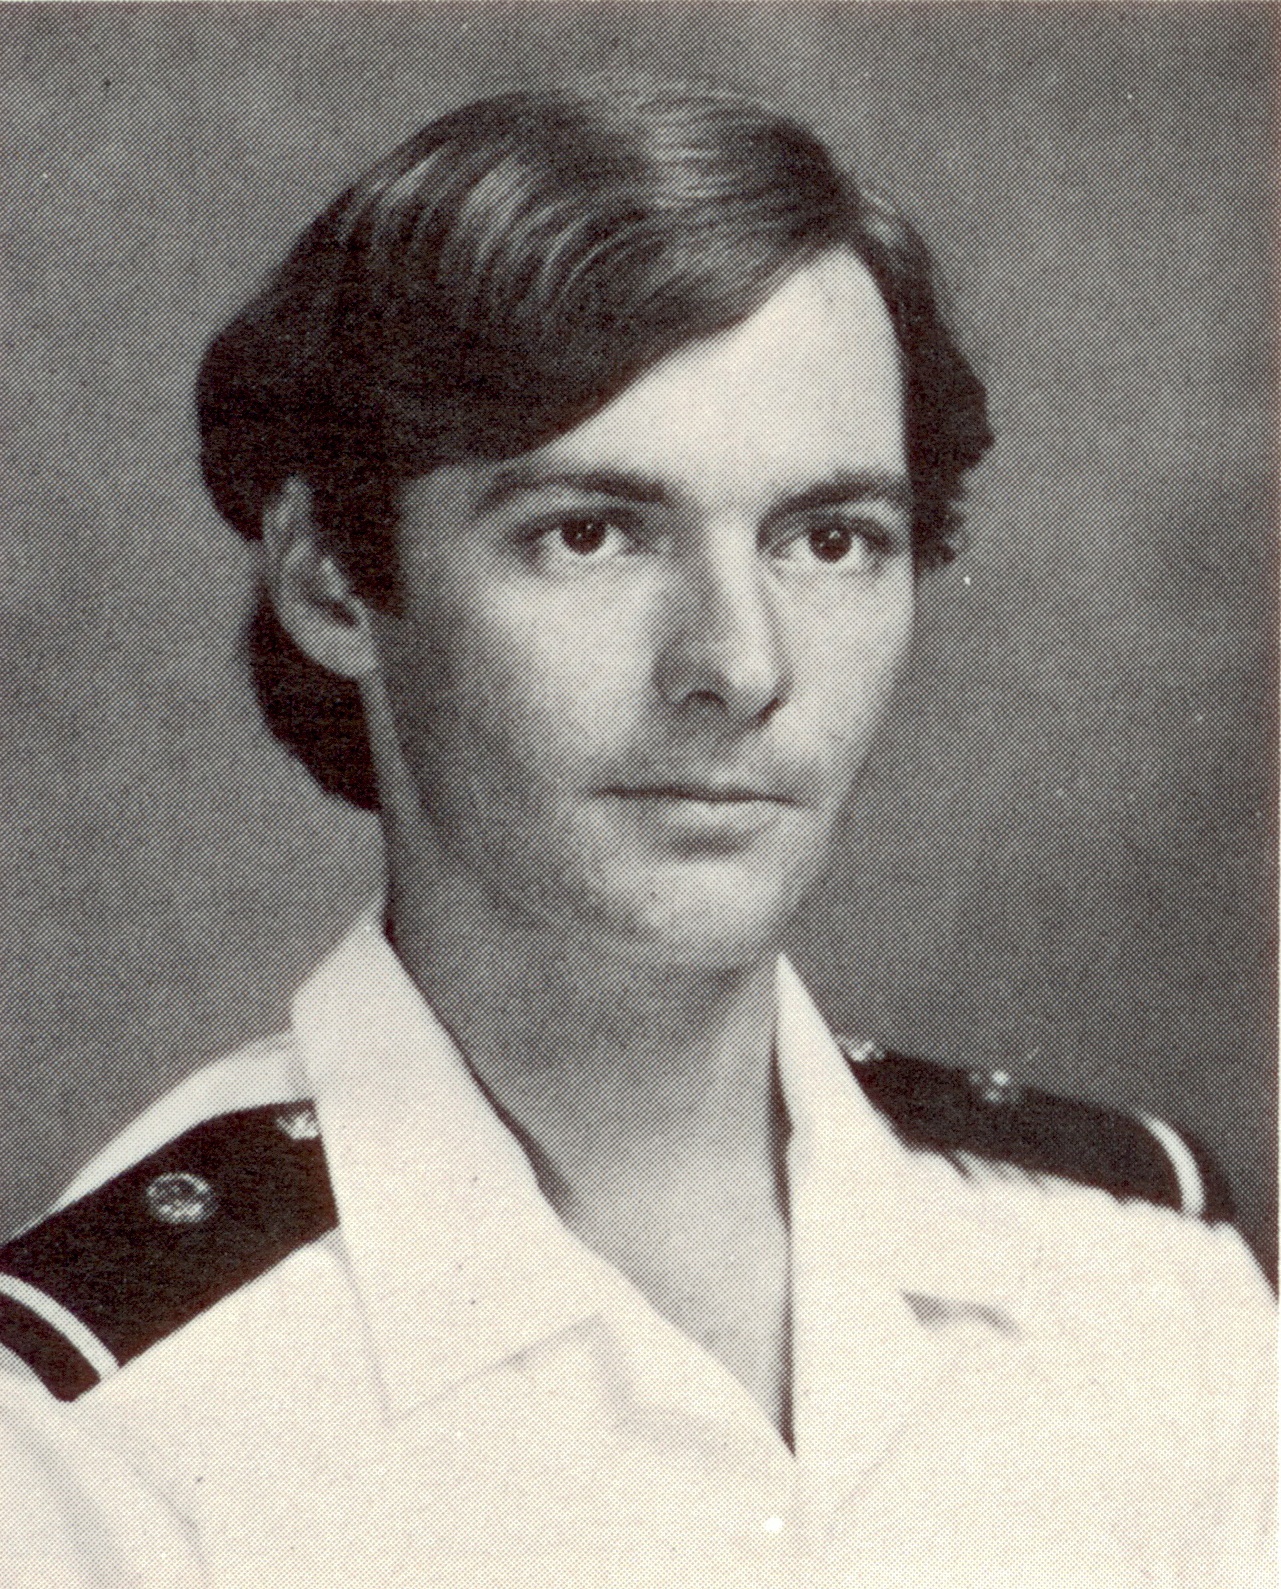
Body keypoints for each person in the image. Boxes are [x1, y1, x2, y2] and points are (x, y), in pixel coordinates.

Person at [0, 77, 1272, 1588]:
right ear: (331, 578)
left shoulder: (1146, 1284)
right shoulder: (99, 1431)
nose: (737, 663)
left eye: (828, 539)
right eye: (589, 532)